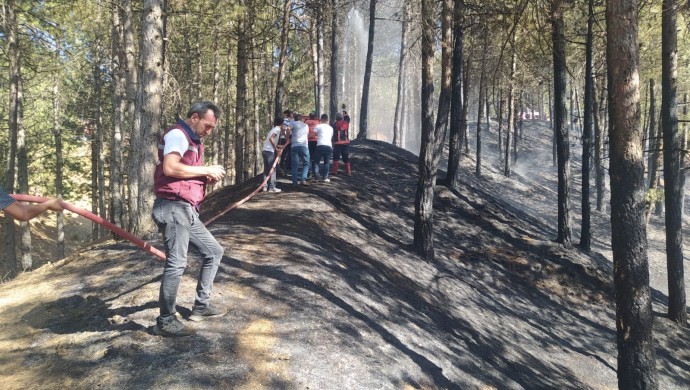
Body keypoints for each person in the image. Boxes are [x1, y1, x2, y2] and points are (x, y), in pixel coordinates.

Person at [151, 101, 227, 338]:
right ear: (194, 117)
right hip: (173, 208)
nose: (209, 131)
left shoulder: (193, 141)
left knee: (214, 252)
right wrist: (206, 170)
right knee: (176, 263)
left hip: (185, 210)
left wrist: (205, 178)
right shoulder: (177, 135)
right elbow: (171, 168)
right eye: (208, 125)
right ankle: (165, 321)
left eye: (212, 127)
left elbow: (184, 173)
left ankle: (201, 307)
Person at [262, 117, 284, 193]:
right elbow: (271, 139)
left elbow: (270, 140)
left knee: (266, 169)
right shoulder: (277, 129)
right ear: (282, 123)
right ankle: (272, 187)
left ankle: (265, 187)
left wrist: (278, 146)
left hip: (265, 150)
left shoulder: (273, 129)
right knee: (272, 169)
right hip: (269, 151)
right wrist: (276, 149)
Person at [290, 113, 311, 187]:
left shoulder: (293, 124)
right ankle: (303, 179)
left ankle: (294, 183)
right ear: (301, 119)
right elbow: (308, 134)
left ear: (294, 119)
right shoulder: (305, 125)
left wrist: (287, 137)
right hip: (304, 146)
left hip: (294, 146)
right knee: (306, 163)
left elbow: (288, 130)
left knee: (295, 164)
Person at [312, 114, 334, 182]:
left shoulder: (318, 126)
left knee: (316, 162)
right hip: (328, 146)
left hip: (320, 145)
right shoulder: (331, 128)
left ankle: (316, 177)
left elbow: (313, 135)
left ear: (320, 119)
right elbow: (331, 137)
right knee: (326, 162)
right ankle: (325, 177)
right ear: (327, 120)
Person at [331, 112, 351, 176]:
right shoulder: (346, 122)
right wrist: (344, 111)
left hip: (337, 143)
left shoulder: (334, 124)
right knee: (346, 158)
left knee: (336, 158)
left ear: (336, 118)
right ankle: (348, 172)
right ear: (342, 117)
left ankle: (334, 171)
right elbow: (347, 117)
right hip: (345, 143)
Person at [305, 112, 320, 179]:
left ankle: (308, 173)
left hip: (308, 140)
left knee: (308, 156)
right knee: (315, 156)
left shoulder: (306, 122)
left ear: (309, 116)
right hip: (315, 140)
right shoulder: (317, 122)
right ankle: (314, 173)